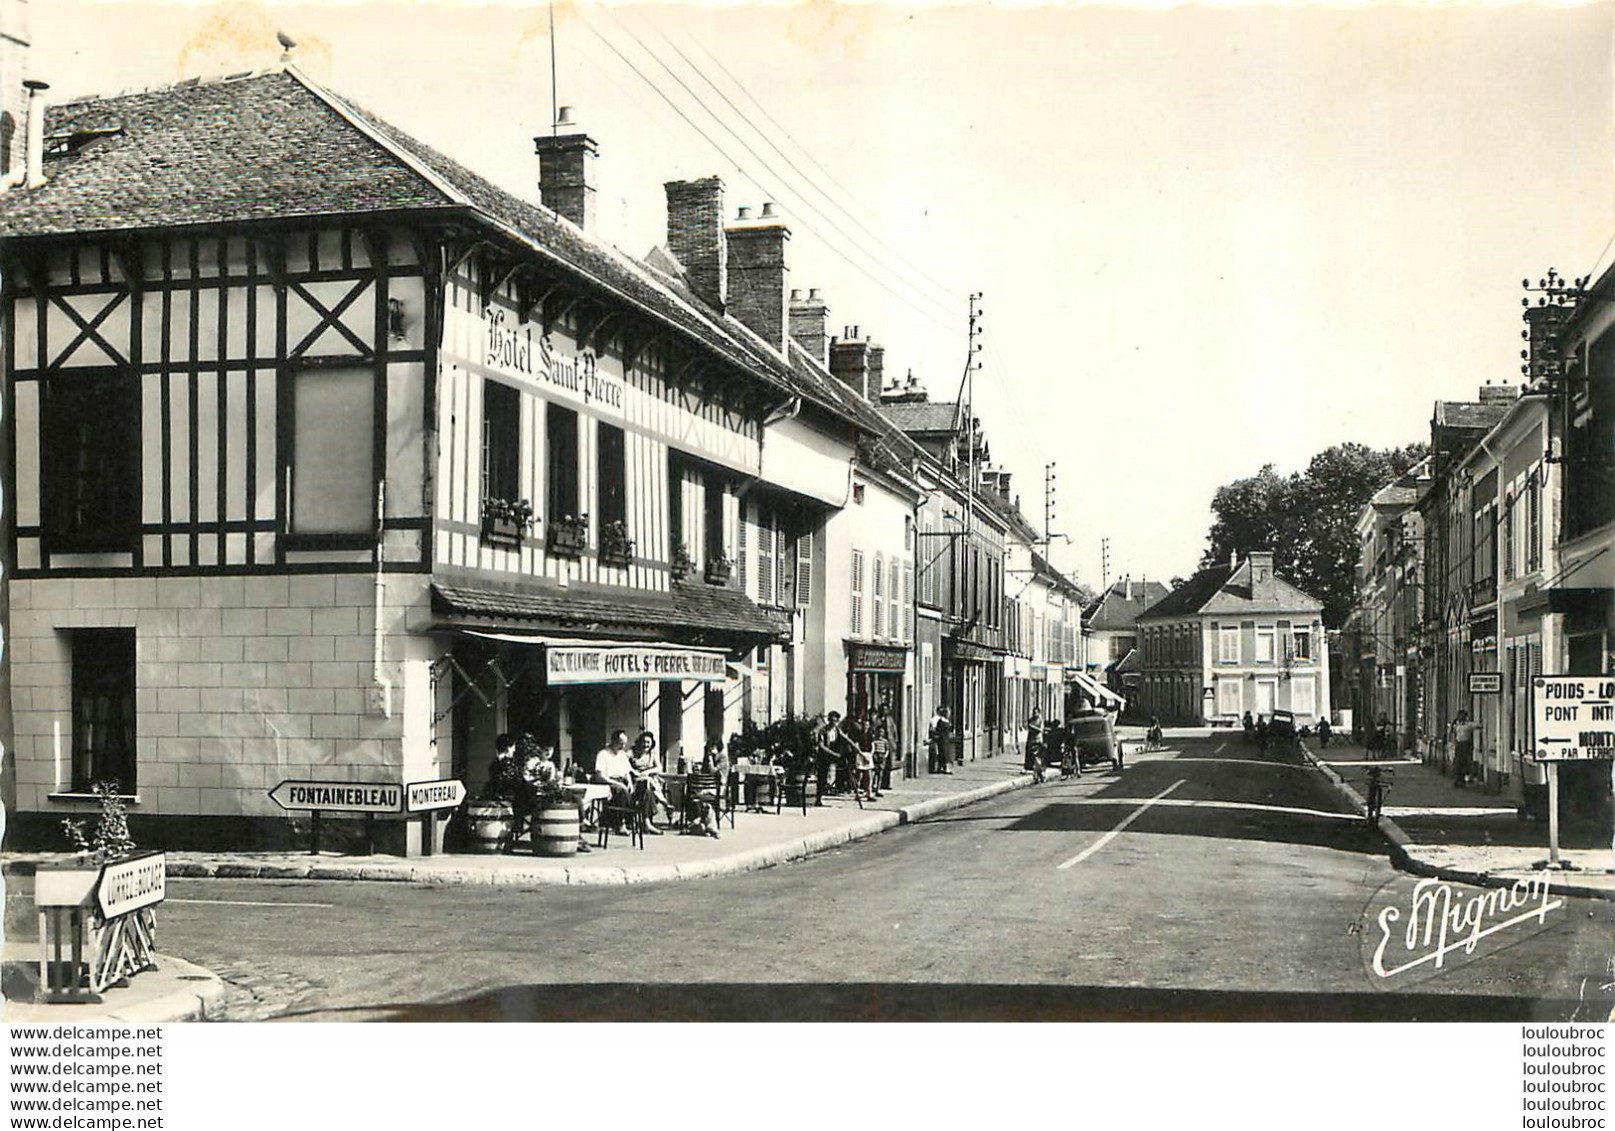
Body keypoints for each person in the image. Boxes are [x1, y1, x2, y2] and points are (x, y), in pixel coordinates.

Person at [815, 711, 845, 801]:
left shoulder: (837, 730)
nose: (833, 723)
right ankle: (819, 798)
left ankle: (837, 787)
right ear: (828, 720)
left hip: (834, 755)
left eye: (835, 721)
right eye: (831, 720)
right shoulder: (823, 730)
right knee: (822, 777)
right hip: (824, 756)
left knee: (839, 771)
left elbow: (845, 739)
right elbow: (821, 745)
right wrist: (833, 753)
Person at [1451, 710, 1477, 787]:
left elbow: (1477, 726)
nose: (1460, 717)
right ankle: (1457, 779)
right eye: (1459, 716)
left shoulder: (1469, 725)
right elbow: (1453, 732)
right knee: (1457, 763)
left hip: (1465, 745)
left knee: (1464, 763)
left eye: (1462, 716)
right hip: (1458, 745)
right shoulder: (1457, 725)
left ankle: (1462, 779)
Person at [927, 705, 954, 775]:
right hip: (942, 739)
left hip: (947, 739)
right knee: (943, 753)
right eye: (947, 713)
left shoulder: (947, 721)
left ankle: (945, 767)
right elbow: (937, 730)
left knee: (947, 753)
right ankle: (943, 767)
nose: (949, 714)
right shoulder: (940, 721)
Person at [1026, 707, 1046, 777]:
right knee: (1033, 758)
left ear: (1039, 713)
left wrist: (1033, 727)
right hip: (1032, 740)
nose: (1034, 714)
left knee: (1038, 757)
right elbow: (1029, 729)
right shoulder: (1031, 720)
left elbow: (1041, 730)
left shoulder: (1040, 720)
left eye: (1036, 712)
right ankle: (1037, 772)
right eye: (1034, 712)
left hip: (1038, 741)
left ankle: (1041, 772)